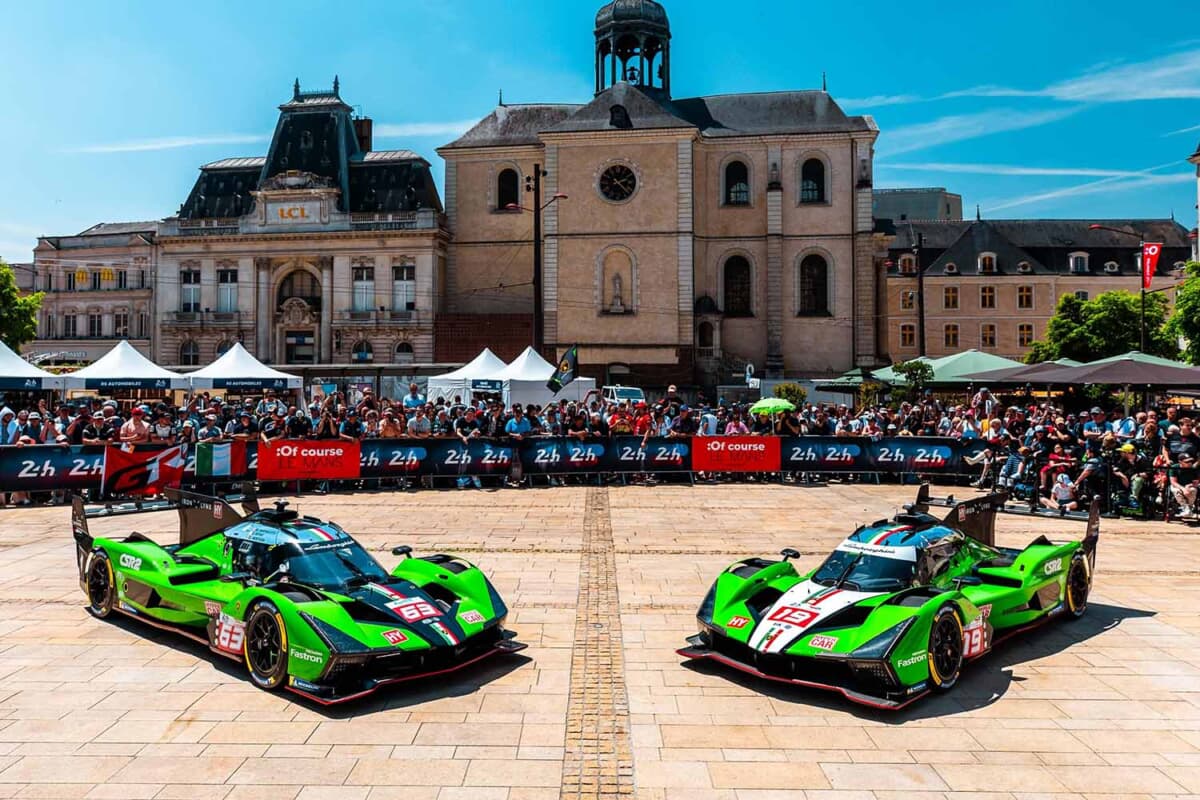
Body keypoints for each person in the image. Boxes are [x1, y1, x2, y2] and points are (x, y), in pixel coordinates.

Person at [1169, 453, 1200, 519]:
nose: (1190, 463)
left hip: (1189, 486)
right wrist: (1183, 489)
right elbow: (1173, 482)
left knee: (1193, 490)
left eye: (1190, 461)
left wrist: (1189, 485)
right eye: (1187, 462)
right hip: (1177, 486)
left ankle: (1189, 508)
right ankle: (1185, 508)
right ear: (1180, 462)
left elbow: (1196, 483)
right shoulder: (1174, 467)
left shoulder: (1193, 469)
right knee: (1176, 490)